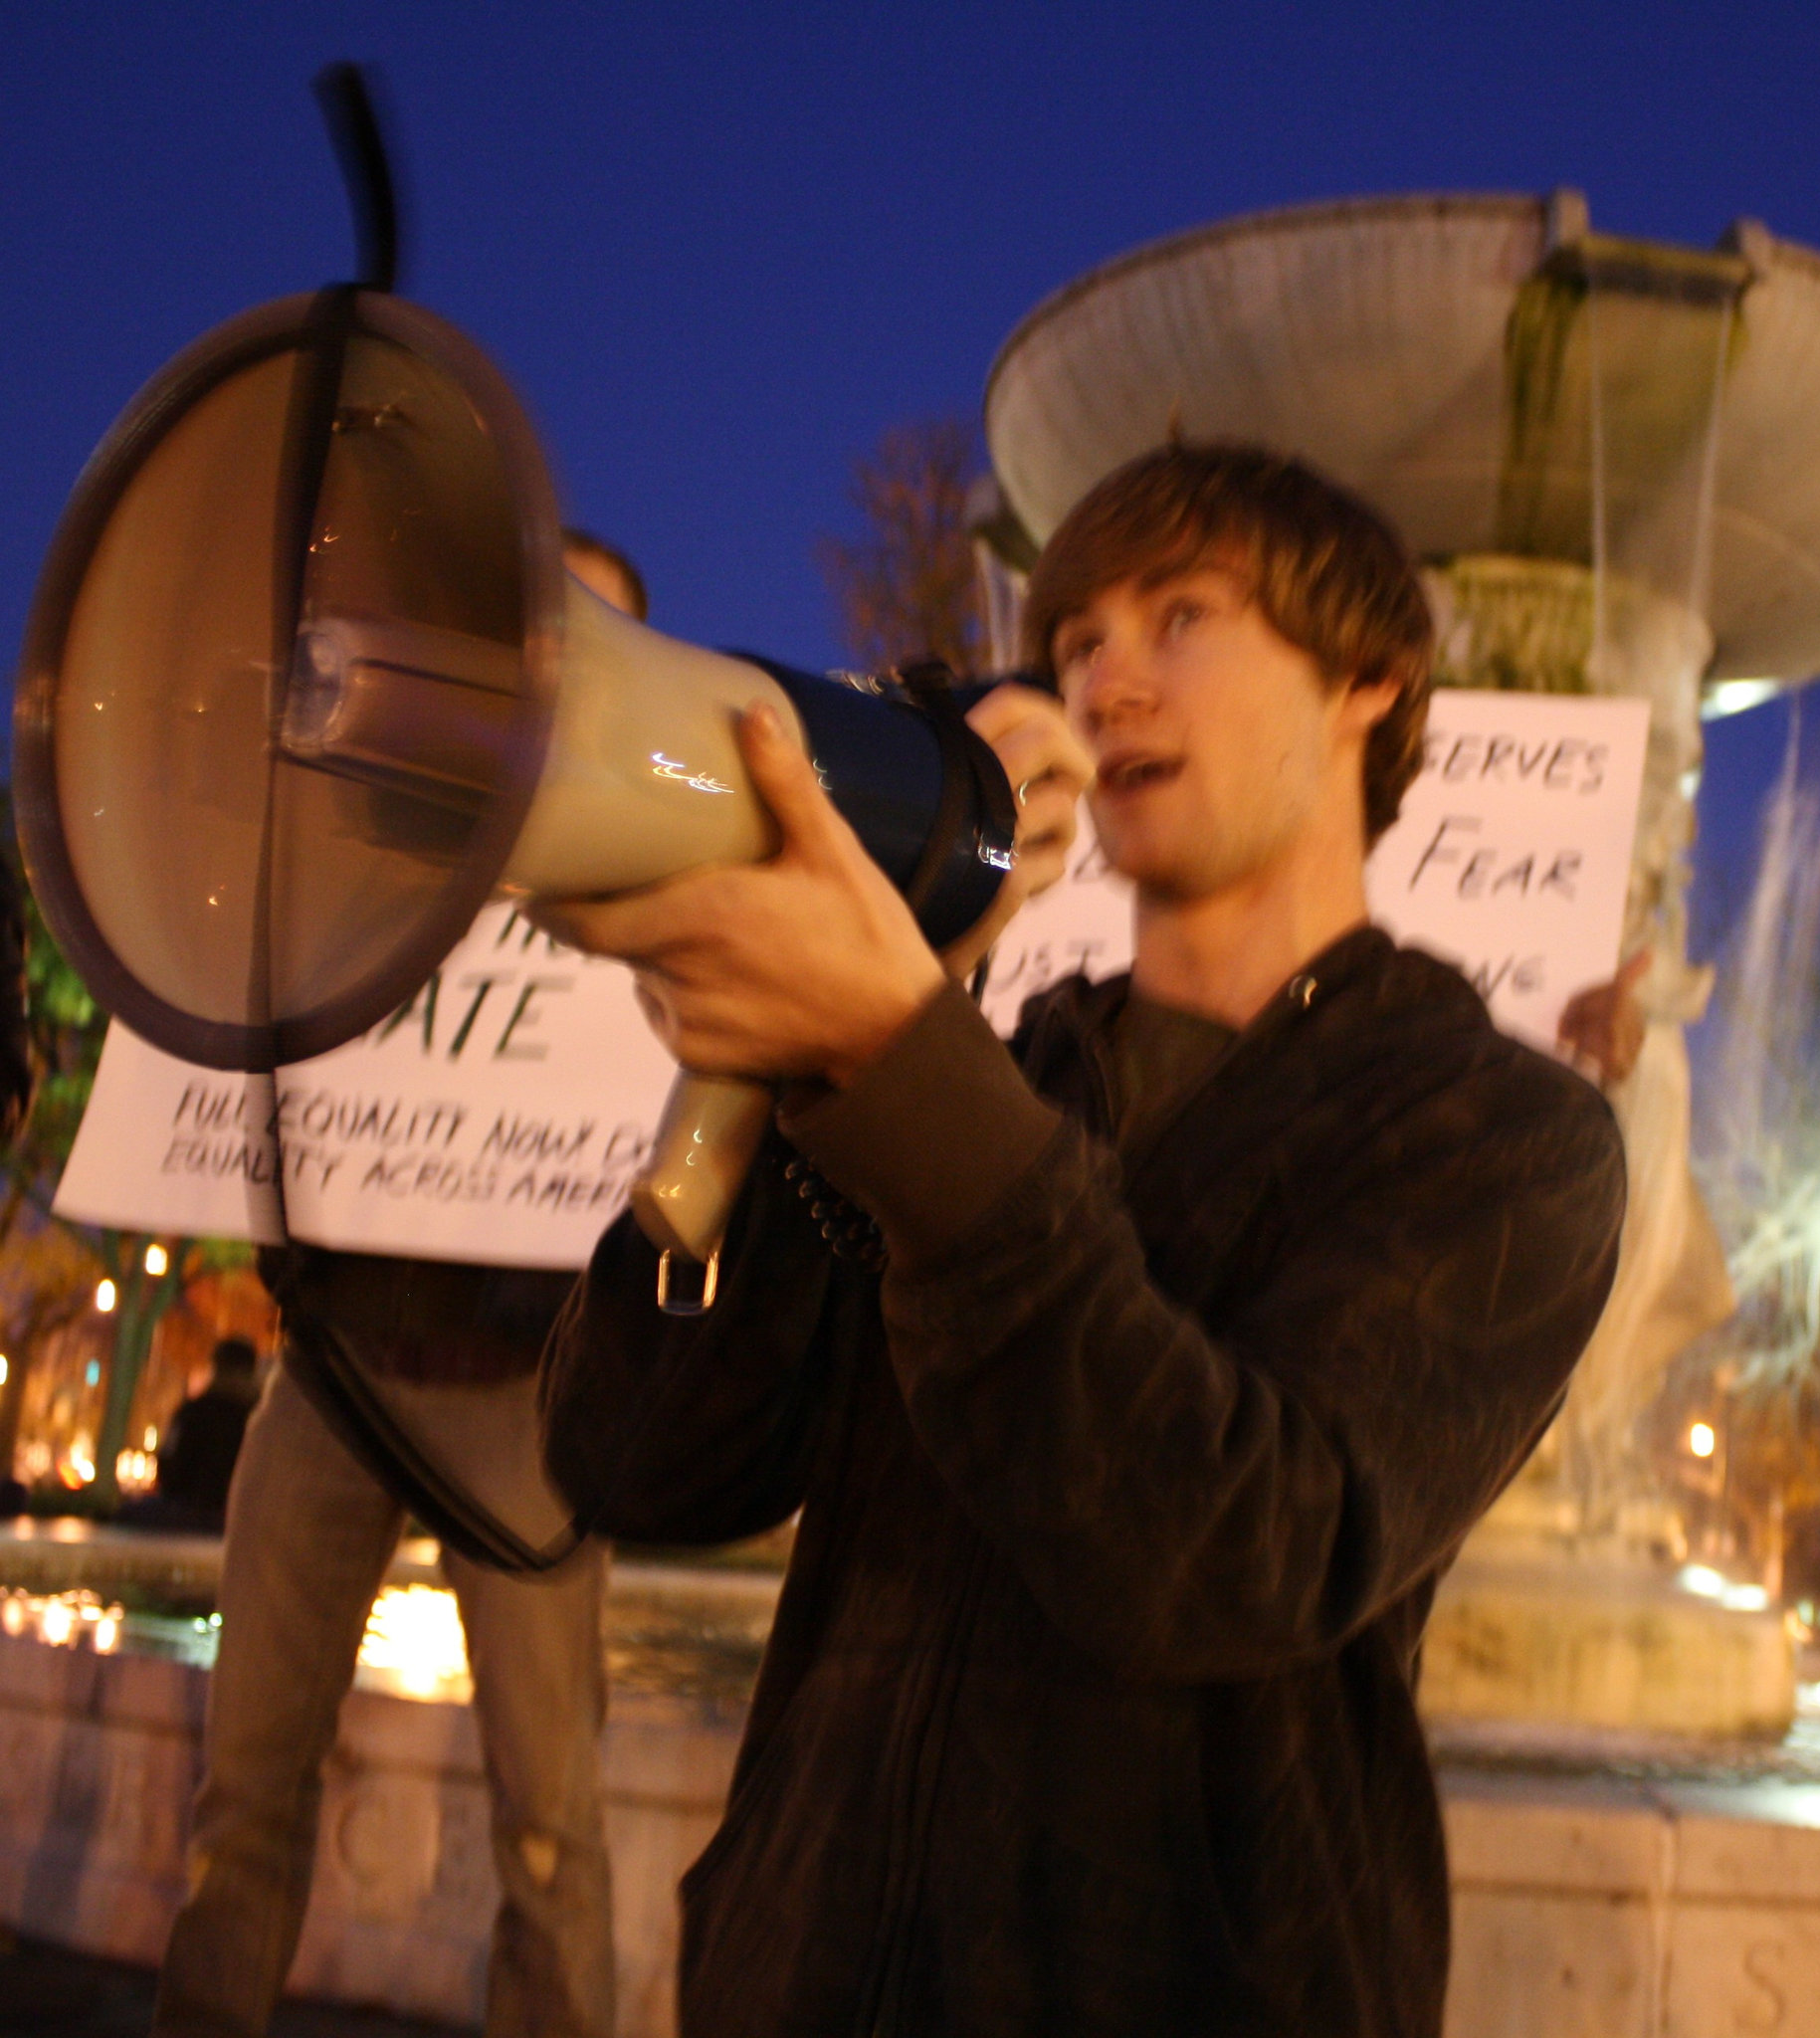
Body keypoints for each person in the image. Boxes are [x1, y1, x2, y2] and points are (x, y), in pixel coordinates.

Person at [537, 447, 1627, 2036]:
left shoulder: (1498, 1131)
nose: (1106, 674)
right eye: (1077, 640)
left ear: (1370, 685)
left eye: (1183, 617)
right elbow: (634, 1459)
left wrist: (909, 1069)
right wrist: (748, 1085)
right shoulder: (986, 1066)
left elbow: (1233, 1547)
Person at [150, 531, 648, 2038]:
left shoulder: (641, 892)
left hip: (523, 1399)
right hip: (337, 1372)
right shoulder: (342, 855)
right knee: (245, 1793)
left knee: (552, 1826)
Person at [119, 1335, 261, 1531]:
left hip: (187, 1511)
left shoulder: (194, 1412)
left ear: (216, 1367)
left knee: (127, 1514)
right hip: (236, 1519)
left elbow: (169, 1467)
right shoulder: (256, 1419)